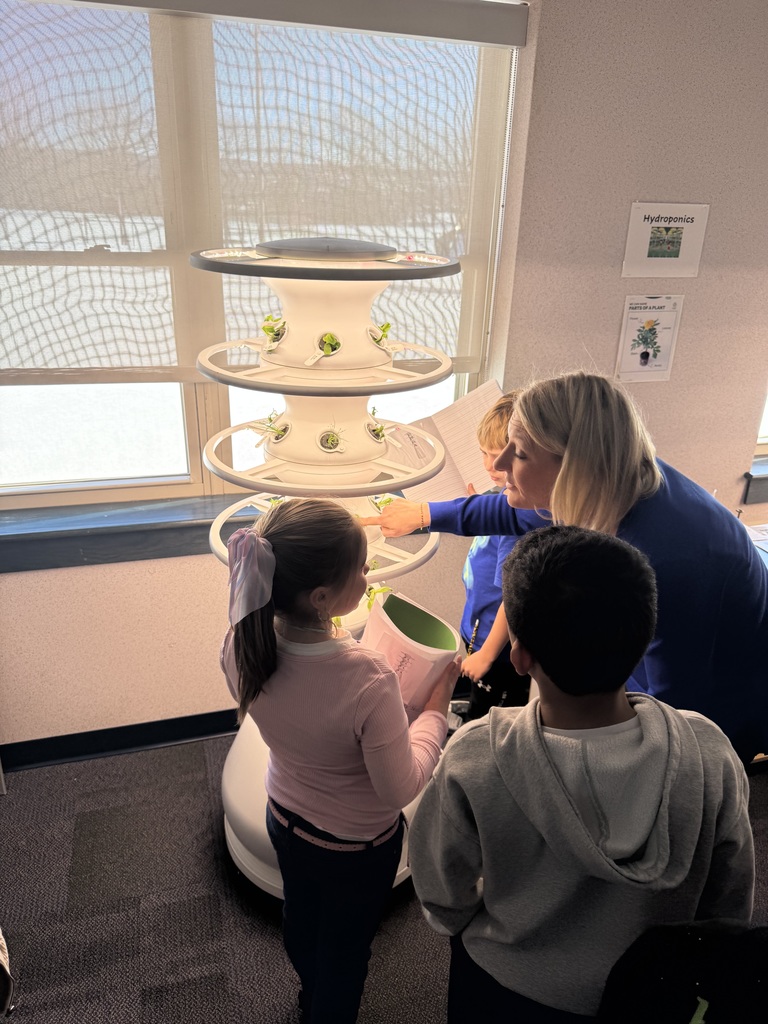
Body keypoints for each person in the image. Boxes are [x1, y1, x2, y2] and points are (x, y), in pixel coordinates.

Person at [409, 525, 755, 1022]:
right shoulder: (708, 751)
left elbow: (442, 894)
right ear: (643, 640)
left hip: (502, 986)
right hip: (655, 993)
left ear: (520, 654)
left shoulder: (473, 757)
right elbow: (730, 898)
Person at [362, 371, 768, 763]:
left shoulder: (674, 559)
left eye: (518, 452)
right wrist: (425, 513)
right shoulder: (604, 480)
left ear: (571, 466)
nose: (500, 462)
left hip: (714, 713)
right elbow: (513, 509)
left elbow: (673, 715)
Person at [220, 497, 459, 1024]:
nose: (369, 571)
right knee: (346, 956)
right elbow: (401, 787)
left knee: (301, 920)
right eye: (361, 567)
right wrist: (434, 712)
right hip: (356, 849)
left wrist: (337, 638)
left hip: (283, 816)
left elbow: (304, 689)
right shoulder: (370, 681)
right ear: (323, 596)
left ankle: (310, 991)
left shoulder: (240, 643)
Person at [455, 391, 532, 718]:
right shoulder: (502, 496)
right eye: (484, 453)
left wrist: (487, 654)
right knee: (476, 698)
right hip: (476, 628)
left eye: (497, 455)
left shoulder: (518, 516)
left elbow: (512, 596)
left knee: (491, 719)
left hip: (496, 645)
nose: (489, 464)